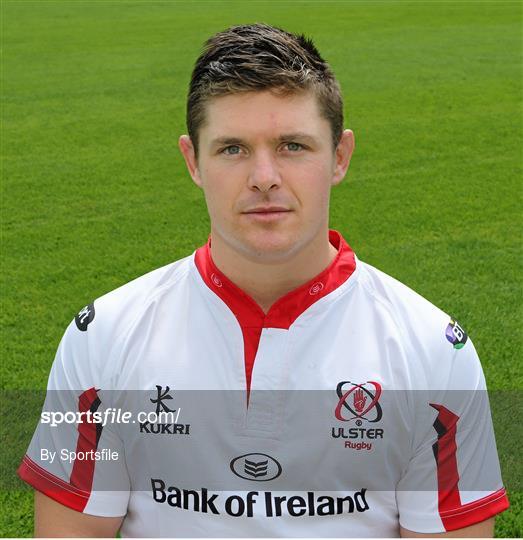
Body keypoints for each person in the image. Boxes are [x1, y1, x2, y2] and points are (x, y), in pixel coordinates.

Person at [18, 23, 509, 537]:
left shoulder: (432, 352)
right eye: (232, 149)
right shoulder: (103, 337)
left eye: (293, 146)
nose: (264, 176)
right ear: (193, 161)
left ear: (339, 156)